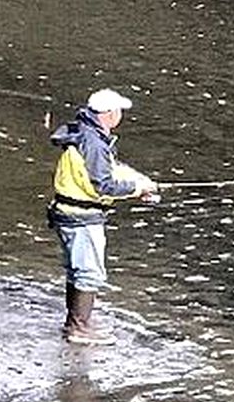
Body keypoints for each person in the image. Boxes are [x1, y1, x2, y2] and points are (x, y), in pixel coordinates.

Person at [47, 87, 159, 345]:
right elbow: (103, 185)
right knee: (88, 272)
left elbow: (103, 172)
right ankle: (79, 328)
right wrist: (137, 189)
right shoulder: (94, 143)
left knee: (77, 271)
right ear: (109, 114)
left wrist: (136, 182)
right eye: (119, 111)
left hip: (68, 213)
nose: (121, 115)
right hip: (81, 217)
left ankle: (74, 323)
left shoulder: (83, 133)